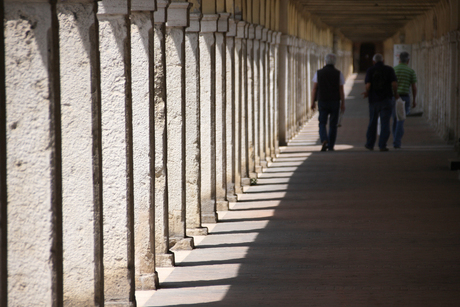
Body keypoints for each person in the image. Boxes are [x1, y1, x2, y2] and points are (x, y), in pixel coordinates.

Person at [362, 53, 399, 151]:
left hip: (373, 100)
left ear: (373, 62)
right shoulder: (389, 69)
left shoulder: (370, 70)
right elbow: (394, 84)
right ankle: (382, 145)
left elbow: (368, 85)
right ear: (383, 61)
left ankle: (370, 144)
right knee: (385, 123)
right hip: (386, 100)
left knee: (372, 122)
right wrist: (395, 94)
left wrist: (367, 92)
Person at [311, 53, 346, 151]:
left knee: (322, 122)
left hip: (322, 101)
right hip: (335, 101)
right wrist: (343, 103)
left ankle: (324, 139)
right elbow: (341, 90)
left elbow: (314, 88)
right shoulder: (338, 73)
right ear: (335, 62)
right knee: (333, 124)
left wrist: (312, 102)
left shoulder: (318, 73)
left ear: (325, 61)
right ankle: (331, 145)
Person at [392, 51, 417, 149]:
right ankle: (397, 142)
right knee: (401, 120)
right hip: (405, 97)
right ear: (408, 60)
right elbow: (414, 87)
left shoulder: (394, 70)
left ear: (399, 60)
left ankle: (395, 139)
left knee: (395, 119)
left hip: (394, 97)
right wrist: (414, 100)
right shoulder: (411, 71)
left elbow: (391, 84)